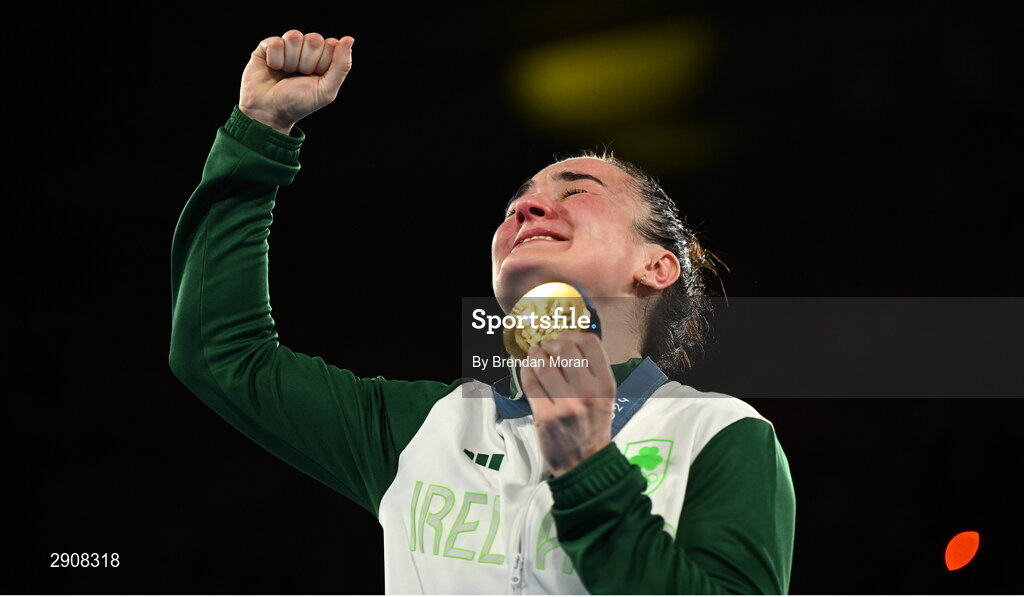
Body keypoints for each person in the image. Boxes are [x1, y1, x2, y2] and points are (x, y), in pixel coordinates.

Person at [169, 29, 796, 595]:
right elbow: (221, 354)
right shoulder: (423, 430)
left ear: (656, 266)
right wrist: (259, 132)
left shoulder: (717, 435)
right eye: (515, 205)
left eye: (575, 190)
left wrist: (589, 471)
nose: (527, 209)